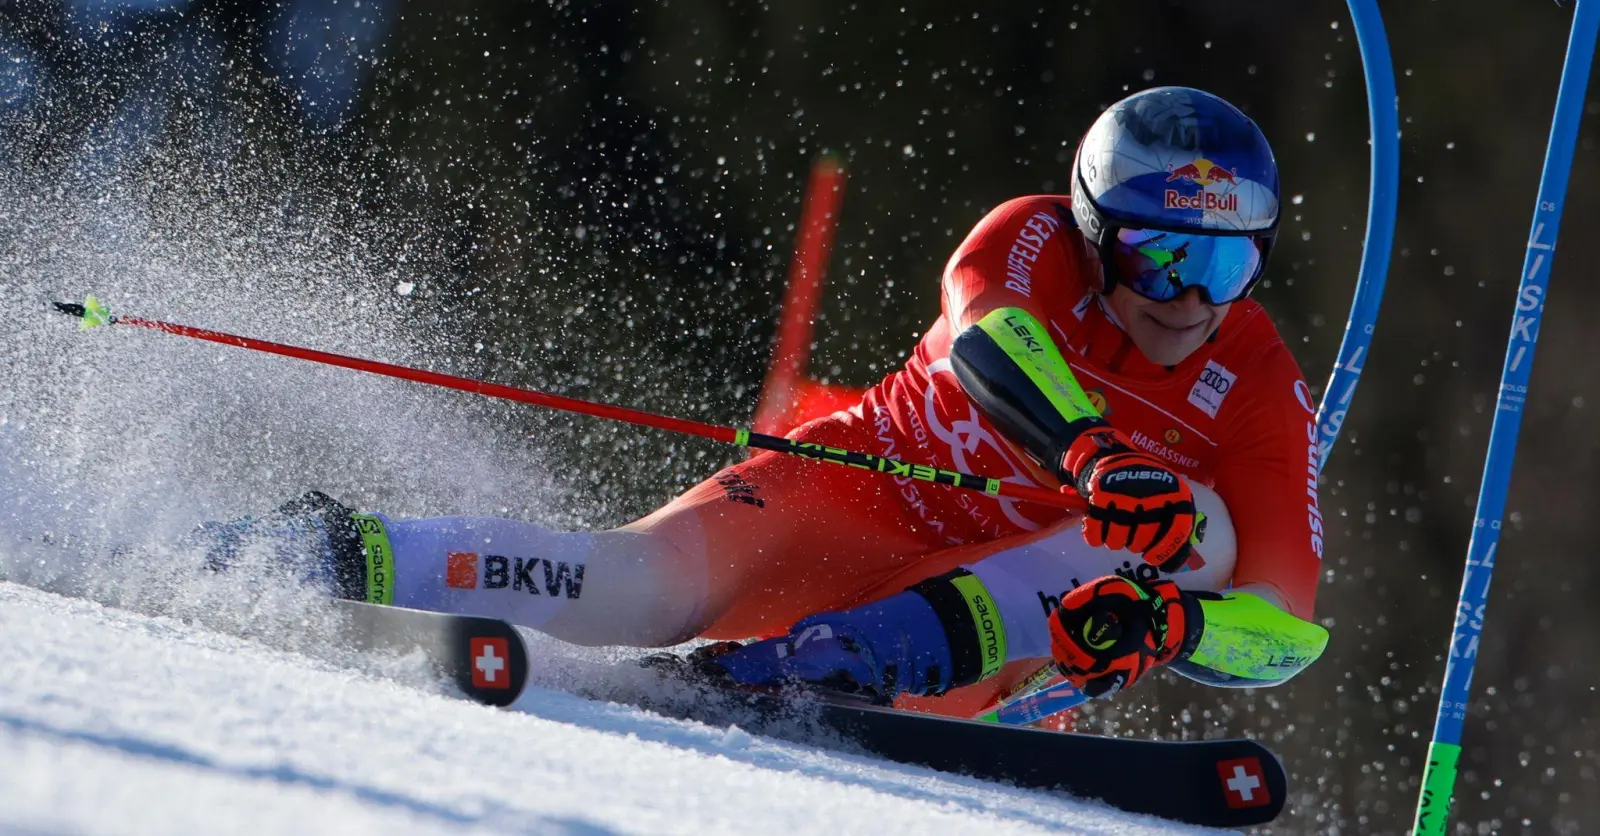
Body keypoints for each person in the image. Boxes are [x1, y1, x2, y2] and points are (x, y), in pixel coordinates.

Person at [203, 86, 1329, 716]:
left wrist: (1171, 624)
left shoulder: (1259, 386)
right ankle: (319, 551)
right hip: (849, 487)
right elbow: (994, 340)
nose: (1186, 297)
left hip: (964, 631)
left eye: (1224, 267)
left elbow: (1285, 629)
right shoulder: (1029, 235)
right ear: (1091, 233)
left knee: (1208, 528)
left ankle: (836, 665)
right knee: (631, 584)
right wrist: (1089, 452)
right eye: (1156, 258)